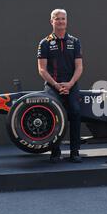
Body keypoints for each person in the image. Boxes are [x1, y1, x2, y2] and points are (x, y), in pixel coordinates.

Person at [37, 9, 83, 163]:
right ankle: (55, 151)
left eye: (63, 19)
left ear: (66, 21)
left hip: (71, 84)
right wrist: (56, 85)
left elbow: (79, 67)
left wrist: (70, 84)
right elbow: (42, 69)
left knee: (76, 112)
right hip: (53, 85)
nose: (61, 21)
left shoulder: (75, 41)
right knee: (54, 115)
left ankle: (75, 152)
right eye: (57, 19)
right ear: (52, 21)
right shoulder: (44, 43)